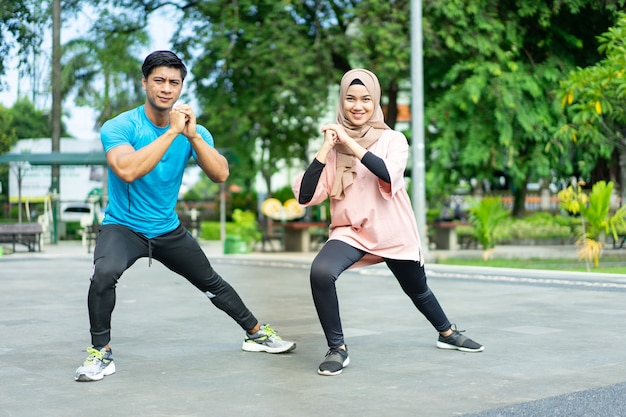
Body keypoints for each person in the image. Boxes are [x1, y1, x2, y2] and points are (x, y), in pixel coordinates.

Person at [75, 50, 295, 382]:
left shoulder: (193, 131)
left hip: (166, 228)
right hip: (123, 226)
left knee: (210, 281)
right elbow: (127, 170)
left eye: (174, 83)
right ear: (144, 82)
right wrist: (172, 132)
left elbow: (220, 174)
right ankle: (100, 353)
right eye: (159, 81)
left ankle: (255, 333)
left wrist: (191, 135)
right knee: (104, 273)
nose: (166, 88)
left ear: (180, 88)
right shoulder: (120, 126)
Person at [293, 69, 483, 376]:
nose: (358, 106)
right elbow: (304, 196)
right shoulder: (333, 146)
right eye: (350, 99)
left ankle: (447, 332)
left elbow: (386, 173)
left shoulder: (394, 139)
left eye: (366, 99)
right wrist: (327, 147)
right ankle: (337, 348)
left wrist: (348, 143)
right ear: (342, 102)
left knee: (417, 290)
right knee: (321, 272)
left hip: (392, 230)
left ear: (375, 101)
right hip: (350, 231)